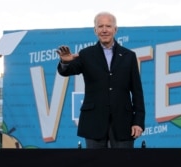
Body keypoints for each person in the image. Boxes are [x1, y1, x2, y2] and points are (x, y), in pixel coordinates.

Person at [57, 11, 145, 148]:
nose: (104, 30)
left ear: (115, 30)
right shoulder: (86, 54)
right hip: (93, 122)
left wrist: (138, 121)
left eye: (108, 26)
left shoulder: (129, 56)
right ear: (95, 30)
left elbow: (137, 92)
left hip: (124, 123)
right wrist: (65, 61)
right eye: (101, 26)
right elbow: (67, 71)